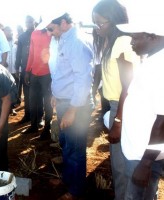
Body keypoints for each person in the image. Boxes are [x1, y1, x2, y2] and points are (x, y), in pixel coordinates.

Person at [38, 11, 93, 199]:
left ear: (63, 23)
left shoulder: (76, 42)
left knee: (75, 148)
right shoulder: (61, 39)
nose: (49, 33)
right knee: (67, 145)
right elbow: (60, 71)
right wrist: (56, 94)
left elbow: (83, 79)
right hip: (64, 102)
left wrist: (72, 109)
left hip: (76, 105)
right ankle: (68, 180)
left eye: (50, 29)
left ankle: (76, 189)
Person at [116, 2, 164, 199]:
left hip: (143, 156)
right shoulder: (151, 60)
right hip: (139, 151)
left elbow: (162, 121)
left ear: (153, 37)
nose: (131, 43)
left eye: (135, 37)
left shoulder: (159, 68)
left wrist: (145, 163)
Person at [92, 1, 139, 199]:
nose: (97, 28)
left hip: (124, 107)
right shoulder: (112, 42)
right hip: (117, 106)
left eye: (100, 23)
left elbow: (128, 86)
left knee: (123, 166)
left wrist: (118, 121)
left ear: (113, 22)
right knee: (119, 165)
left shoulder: (122, 42)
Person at [22, 27, 52, 140]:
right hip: (34, 73)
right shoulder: (34, 33)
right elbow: (31, 53)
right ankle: (34, 125)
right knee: (33, 100)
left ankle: (47, 128)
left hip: (48, 73)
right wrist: (27, 71)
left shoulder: (52, 33)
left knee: (47, 102)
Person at [15, 15, 36, 124]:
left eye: (30, 21)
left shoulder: (39, 34)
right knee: (27, 94)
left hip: (36, 69)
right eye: (26, 22)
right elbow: (18, 53)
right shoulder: (22, 37)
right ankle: (27, 115)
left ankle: (38, 117)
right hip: (24, 69)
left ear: (34, 21)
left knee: (37, 94)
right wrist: (17, 66)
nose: (28, 24)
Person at [3, 26, 19, 116]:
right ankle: (5, 109)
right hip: (4, 71)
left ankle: (12, 108)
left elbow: (18, 55)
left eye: (11, 31)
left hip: (14, 70)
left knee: (14, 90)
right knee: (5, 90)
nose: (10, 33)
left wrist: (18, 69)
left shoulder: (16, 42)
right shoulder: (1, 43)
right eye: (7, 31)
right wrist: (3, 62)